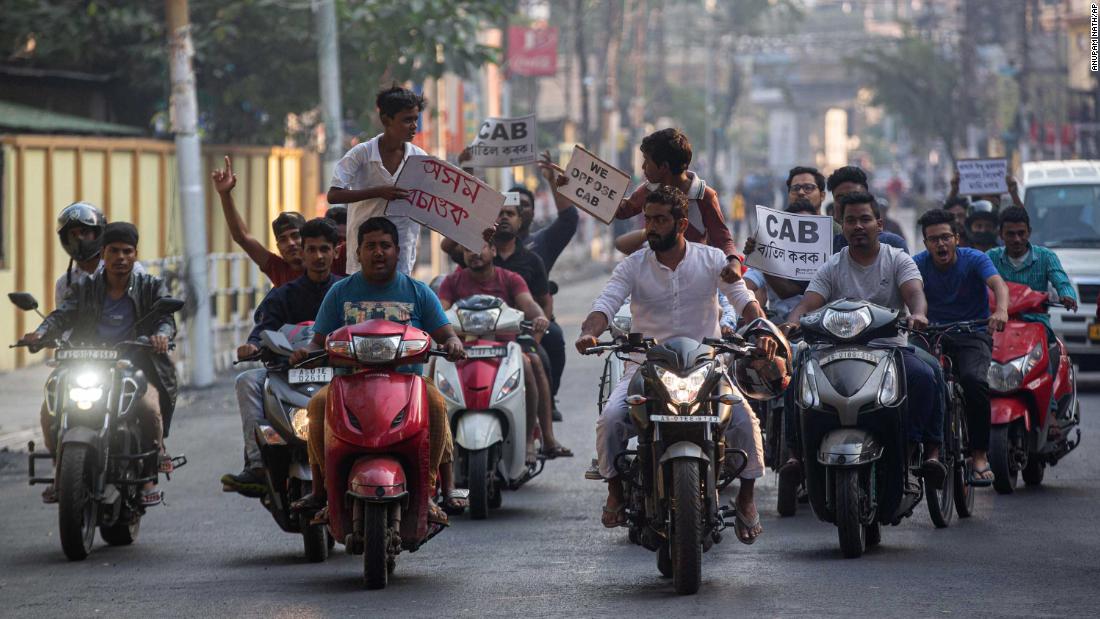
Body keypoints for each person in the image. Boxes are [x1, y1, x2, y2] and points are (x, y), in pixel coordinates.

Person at [575, 186, 774, 543]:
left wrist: (760, 331)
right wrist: (589, 333)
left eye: (660, 220)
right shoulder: (632, 265)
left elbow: (744, 302)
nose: (651, 227)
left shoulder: (712, 260)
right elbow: (605, 305)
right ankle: (616, 491)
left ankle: (746, 497)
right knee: (611, 420)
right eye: (647, 219)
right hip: (645, 367)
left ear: (681, 223)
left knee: (746, 421)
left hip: (707, 367)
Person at [288, 217, 466, 525]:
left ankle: (432, 491)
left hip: (408, 385)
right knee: (316, 406)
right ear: (358, 252)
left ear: (398, 251)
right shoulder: (340, 292)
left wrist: (453, 344)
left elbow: (446, 334)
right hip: (348, 385)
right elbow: (319, 343)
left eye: (385, 246)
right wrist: (307, 353)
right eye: (370, 246)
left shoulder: (419, 292)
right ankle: (322, 492)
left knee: (436, 403)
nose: (378, 252)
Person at [783, 192, 947, 488]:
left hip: (890, 352)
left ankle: (918, 453)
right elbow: (808, 303)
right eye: (850, 220)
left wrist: (919, 314)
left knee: (926, 376)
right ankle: (796, 457)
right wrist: (793, 321)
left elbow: (914, 294)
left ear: (879, 224)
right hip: (834, 354)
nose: (858, 226)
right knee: (796, 382)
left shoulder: (897, 260)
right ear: (841, 226)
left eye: (865, 219)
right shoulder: (831, 266)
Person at [23, 222, 178, 507]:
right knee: (49, 409)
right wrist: (43, 333)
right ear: (103, 253)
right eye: (114, 251)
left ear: (135, 254)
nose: (121, 257)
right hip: (86, 362)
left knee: (149, 407)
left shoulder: (150, 285)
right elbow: (62, 315)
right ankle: (61, 470)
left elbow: (165, 317)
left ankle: (149, 473)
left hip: (133, 363)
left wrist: (161, 336)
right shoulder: (84, 288)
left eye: (127, 251)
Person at [221, 218, 344, 496]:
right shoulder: (282, 294)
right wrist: (252, 346)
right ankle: (256, 464)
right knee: (247, 381)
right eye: (311, 250)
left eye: (324, 249)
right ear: (303, 251)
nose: (318, 257)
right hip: (287, 372)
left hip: (337, 372)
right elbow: (263, 327)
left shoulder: (347, 291)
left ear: (336, 252)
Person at [437, 243, 572, 460]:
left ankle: (538, 438)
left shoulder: (510, 278)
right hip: (462, 349)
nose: (475, 253)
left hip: (504, 349)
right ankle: (434, 441)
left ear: (493, 250)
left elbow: (529, 304)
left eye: (480, 247)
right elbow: (439, 311)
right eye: (468, 248)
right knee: (433, 367)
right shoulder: (452, 282)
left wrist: (538, 317)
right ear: (463, 254)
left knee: (532, 363)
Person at [913, 209, 1011, 485]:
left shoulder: (974, 259)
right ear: (926, 244)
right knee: (914, 379)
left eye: (946, 237)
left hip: (973, 334)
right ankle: (918, 449)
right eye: (934, 240)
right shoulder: (917, 264)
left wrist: (1001, 310)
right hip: (932, 336)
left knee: (974, 381)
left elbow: (998, 285)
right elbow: (906, 291)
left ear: (956, 238)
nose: (941, 244)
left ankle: (979, 454)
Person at [613, 128, 744, 280]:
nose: (642, 167)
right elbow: (624, 210)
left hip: (696, 277)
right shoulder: (649, 189)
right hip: (657, 274)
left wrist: (734, 263)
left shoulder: (704, 196)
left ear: (664, 167)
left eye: (646, 161)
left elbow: (722, 239)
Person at [328, 86, 430, 276]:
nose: (414, 126)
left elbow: (440, 204)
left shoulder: (420, 158)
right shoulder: (361, 154)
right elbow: (334, 195)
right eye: (407, 120)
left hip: (402, 256)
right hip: (363, 256)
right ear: (386, 120)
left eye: (415, 119)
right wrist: (378, 192)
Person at [987, 206, 1078, 347]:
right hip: (997, 325)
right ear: (1001, 235)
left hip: (1036, 323)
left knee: (1049, 363)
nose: (1017, 239)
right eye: (1010, 234)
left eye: (1021, 233)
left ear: (1029, 232)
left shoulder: (1046, 256)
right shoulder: (990, 257)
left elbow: (1062, 282)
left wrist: (1067, 295)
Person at [212, 155, 305, 287]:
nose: (291, 243)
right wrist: (224, 195)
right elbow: (242, 237)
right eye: (283, 240)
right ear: (278, 247)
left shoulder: (327, 267)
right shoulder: (278, 269)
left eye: (296, 236)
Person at [54, 202, 147, 305]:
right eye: (73, 234)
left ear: (98, 233)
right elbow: (63, 320)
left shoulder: (131, 270)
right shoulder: (64, 283)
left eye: (84, 232)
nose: (79, 238)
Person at [827, 166, 908, 253]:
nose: (848, 204)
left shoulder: (893, 245)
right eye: (841, 198)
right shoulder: (826, 247)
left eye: (855, 196)